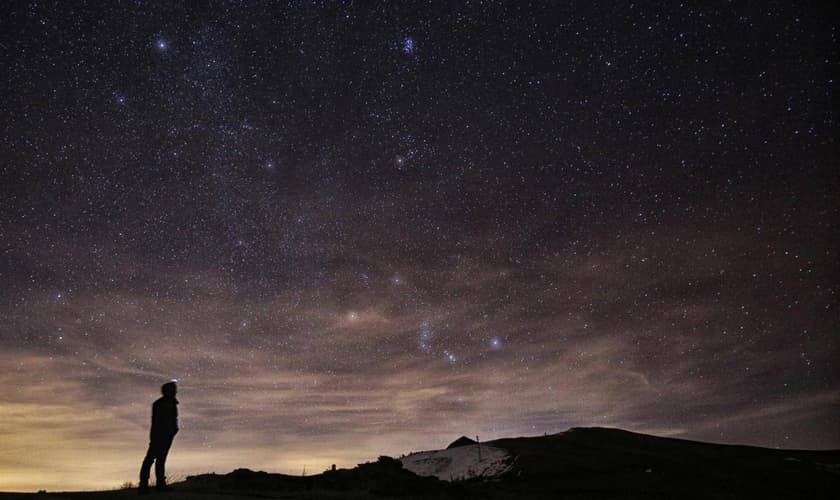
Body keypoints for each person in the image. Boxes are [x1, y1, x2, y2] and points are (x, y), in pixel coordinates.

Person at [139, 381, 179, 494]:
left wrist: (174, 430)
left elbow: (174, 419)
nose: (175, 391)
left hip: (168, 435)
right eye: (172, 389)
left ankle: (160, 485)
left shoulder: (173, 403)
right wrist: (161, 434)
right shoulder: (159, 404)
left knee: (161, 460)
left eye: (174, 389)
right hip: (158, 436)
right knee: (150, 459)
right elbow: (157, 421)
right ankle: (143, 486)